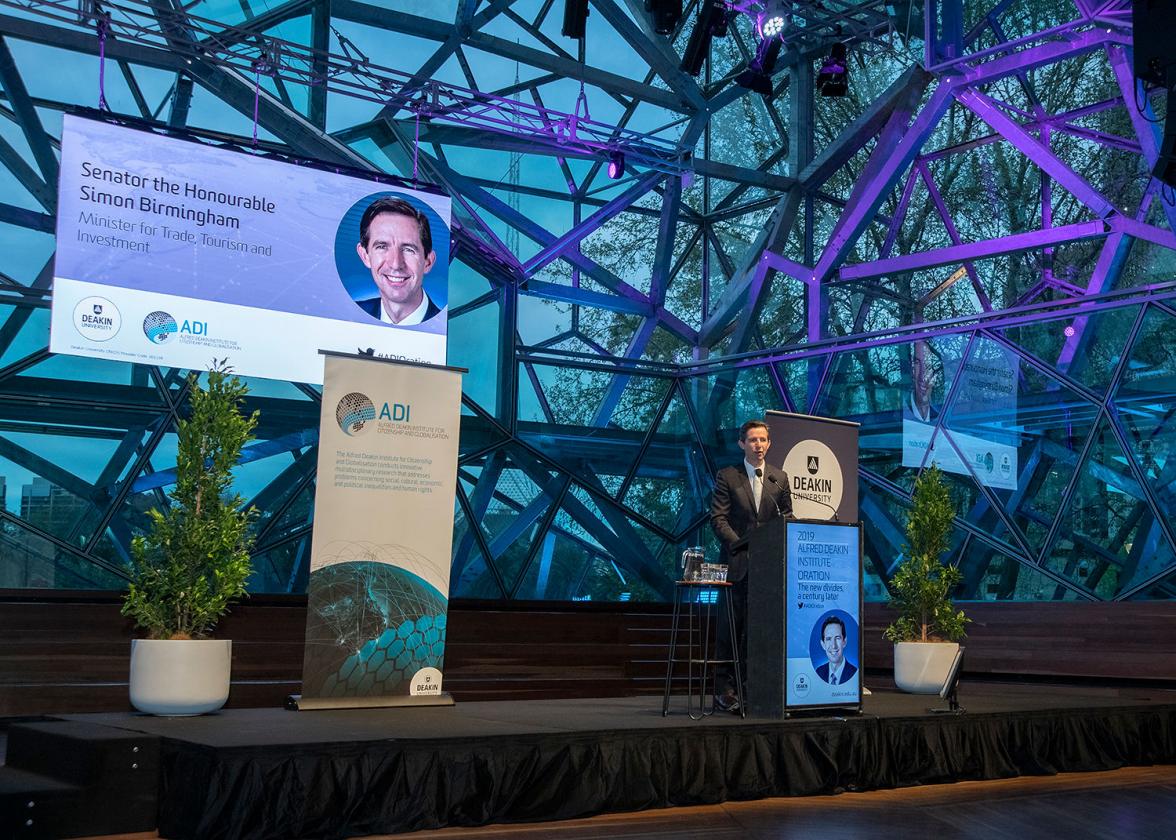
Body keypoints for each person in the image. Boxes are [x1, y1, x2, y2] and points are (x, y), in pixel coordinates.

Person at [709, 419, 793, 713]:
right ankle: (724, 690)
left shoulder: (778, 480)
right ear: (742, 444)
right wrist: (744, 544)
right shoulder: (728, 477)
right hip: (736, 565)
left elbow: (787, 520)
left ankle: (753, 687)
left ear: (769, 444)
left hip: (768, 571)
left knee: (760, 631)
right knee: (731, 629)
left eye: (763, 440)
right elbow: (718, 519)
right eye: (753, 440)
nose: (759, 445)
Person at [354, 196, 443, 326]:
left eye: (408, 249)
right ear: (365, 256)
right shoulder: (345, 318)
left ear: (428, 262)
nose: (396, 264)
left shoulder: (449, 329)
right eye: (382, 247)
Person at [815, 614, 857, 686]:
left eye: (837, 638)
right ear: (823, 644)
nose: (834, 646)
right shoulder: (818, 673)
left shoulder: (855, 674)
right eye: (828, 639)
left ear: (844, 641)